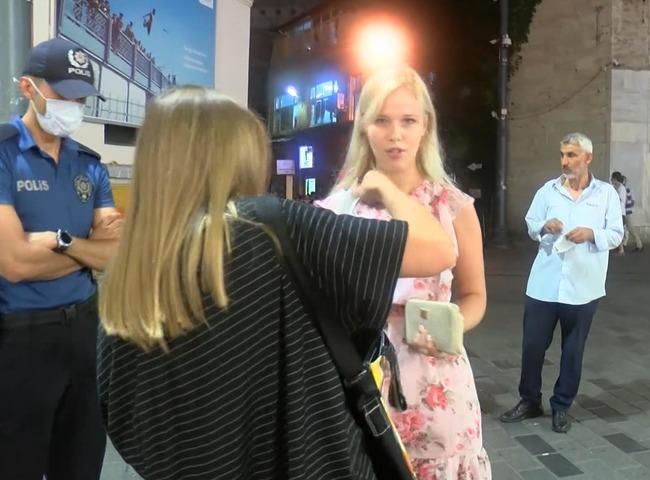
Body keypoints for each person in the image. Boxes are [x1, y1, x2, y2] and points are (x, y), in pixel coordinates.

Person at [97, 85, 457, 480]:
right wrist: (385, 186)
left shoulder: (129, 274)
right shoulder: (273, 227)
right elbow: (437, 248)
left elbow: (122, 421)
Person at [318, 66, 490, 479]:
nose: (396, 134)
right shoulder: (336, 210)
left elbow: (475, 294)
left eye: (408, 120)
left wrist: (454, 327)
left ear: (425, 126)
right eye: (382, 120)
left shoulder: (454, 207)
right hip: (356, 383)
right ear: (364, 128)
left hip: (437, 384)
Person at [0, 38, 119, 480]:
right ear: (29, 87)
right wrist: (90, 249)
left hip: (87, 331)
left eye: (81, 97)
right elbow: (14, 263)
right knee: (19, 464)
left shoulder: (89, 165)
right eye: (64, 94)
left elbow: (117, 254)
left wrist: (61, 241)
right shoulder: (4, 154)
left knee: (81, 461)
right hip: (21, 338)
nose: (73, 105)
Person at [500, 132, 623, 434]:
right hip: (544, 283)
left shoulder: (606, 194)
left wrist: (592, 233)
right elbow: (530, 225)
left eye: (572, 155)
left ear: (588, 158)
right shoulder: (548, 191)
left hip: (584, 287)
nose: (565, 161)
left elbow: (617, 234)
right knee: (532, 347)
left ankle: (561, 406)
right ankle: (529, 400)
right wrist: (544, 225)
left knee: (573, 350)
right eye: (563, 155)